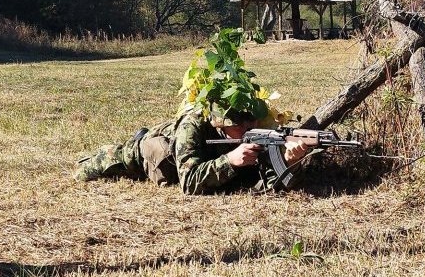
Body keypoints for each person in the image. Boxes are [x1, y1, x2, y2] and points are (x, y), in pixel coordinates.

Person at [74, 28, 310, 194]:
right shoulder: (194, 124)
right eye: (240, 126)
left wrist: (290, 161)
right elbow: (189, 184)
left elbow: (264, 183)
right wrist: (230, 160)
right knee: (92, 168)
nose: (249, 129)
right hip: (146, 155)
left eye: (252, 123)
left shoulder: (256, 131)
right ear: (219, 123)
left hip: (196, 157)